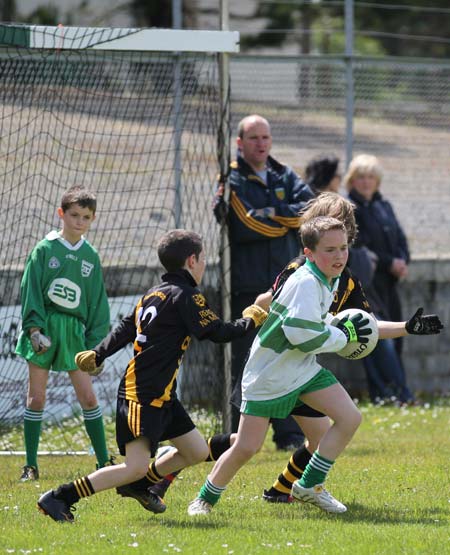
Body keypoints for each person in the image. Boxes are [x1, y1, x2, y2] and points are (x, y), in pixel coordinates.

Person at [36, 229, 268, 523]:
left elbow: (125, 327)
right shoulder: (186, 295)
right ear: (192, 260)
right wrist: (253, 317)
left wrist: (99, 353)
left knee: (195, 451)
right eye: (203, 259)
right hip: (141, 394)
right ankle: (60, 497)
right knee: (134, 466)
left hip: (162, 394)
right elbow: (217, 332)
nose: (204, 265)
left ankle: (140, 483)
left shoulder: (154, 293)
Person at [256, 193, 443, 503]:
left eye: (343, 227)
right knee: (243, 443)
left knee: (323, 435)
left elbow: (367, 326)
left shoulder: (347, 281)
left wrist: (407, 327)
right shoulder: (300, 271)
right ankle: (166, 470)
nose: (338, 235)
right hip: (269, 365)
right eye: (330, 226)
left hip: (300, 370)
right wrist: (254, 320)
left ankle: (286, 490)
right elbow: (264, 302)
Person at [187, 216, 374, 516]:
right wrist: (343, 336)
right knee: (247, 447)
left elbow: (311, 327)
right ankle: (204, 499)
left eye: (343, 248)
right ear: (309, 253)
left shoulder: (330, 277)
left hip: (301, 369)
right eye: (330, 250)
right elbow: (300, 335)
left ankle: (309, 485)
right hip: (269, 374)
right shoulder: (306, 282)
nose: (339, 256)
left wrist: (337, 328)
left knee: (348, 418)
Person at [214, 113, 315, 449]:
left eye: (265, 137)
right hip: (248, 285)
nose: (261, 144)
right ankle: (235, 435)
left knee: (286, 357)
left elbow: (310, 212)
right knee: (246, 360)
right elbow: (243, 224)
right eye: (254, 138)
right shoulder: (231, 177)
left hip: (286, 285)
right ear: (240, 143)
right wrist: (284, 217)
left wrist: (271, 212)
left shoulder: (284, 173)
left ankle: (288, 435)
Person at [15, 186, 113, 481]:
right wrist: (34, 329)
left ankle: (103, 462)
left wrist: (96, 347)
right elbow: (30, 288)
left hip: (73, 333)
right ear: (61, 214)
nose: (79, 221)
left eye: (86, 217)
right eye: (74, 215)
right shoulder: (44, 250)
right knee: (37, 399)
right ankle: (30, 465)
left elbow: (98, 303)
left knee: (89, 399)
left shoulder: (90, 256)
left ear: (93, 219)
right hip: (44, 327)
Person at [345, 154, 413, 403]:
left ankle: (393, 393)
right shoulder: (350, 209)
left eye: (370, 177)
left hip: (389, 284)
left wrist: (403, 259)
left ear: (378, 181)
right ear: (352, 180)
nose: (366, 182)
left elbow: (401, 239)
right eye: (361, 177)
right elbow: (361, 247)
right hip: (367, 285)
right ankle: (392, 393)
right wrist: (390, 262)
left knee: (396, 337)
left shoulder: (384, 206)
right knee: (375, 339)